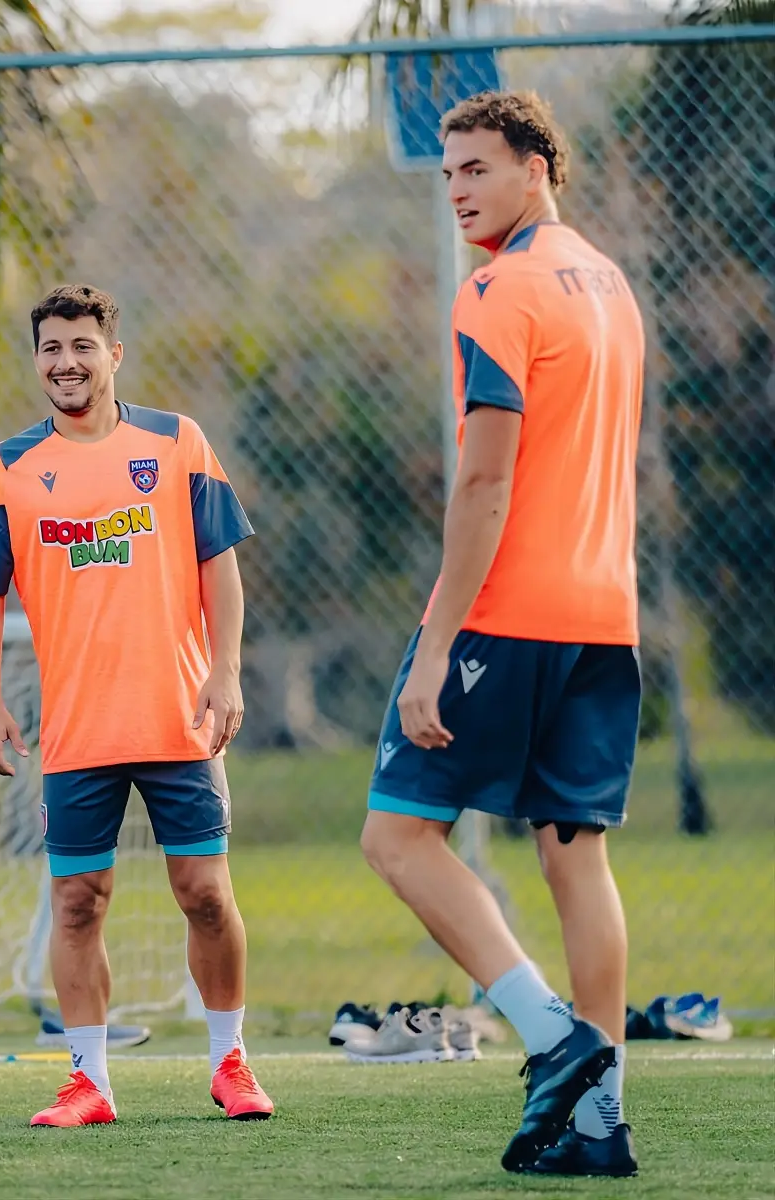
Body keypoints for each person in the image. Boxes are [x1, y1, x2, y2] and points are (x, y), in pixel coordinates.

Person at [360, 91, 643, 1178]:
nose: (458, 192)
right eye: (447, 176)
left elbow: (485, 477)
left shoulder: (499, 291)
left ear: (539, 169)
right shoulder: (610, 285)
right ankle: (602, 1119)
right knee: (577, 859)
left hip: (506, 616)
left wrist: (438, 644)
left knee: (396, 836)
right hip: (602, 615)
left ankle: (552, 1038)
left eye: (477, 169)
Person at [0, 284, 273, 1126]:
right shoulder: (6, 468)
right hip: (79, 730)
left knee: (204, 893)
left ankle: (230, 1061)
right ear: (38, 360)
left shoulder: (175, 442)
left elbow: (220, 565)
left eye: (82, 346)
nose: (66, 363)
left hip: (178, 718)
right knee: (78, 901)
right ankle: (88, 1082)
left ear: (113, 355)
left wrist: (226, 671)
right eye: (51, 348)